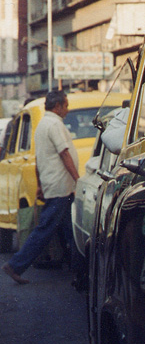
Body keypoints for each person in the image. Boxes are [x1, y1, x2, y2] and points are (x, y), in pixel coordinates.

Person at [3, 91, 80, 285]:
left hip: (54, 185)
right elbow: (64, 154)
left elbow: (40, 159)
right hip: (60, 186)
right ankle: (15, 265)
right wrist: (77, 179)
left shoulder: (42, 125)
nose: (67, 110)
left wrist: (40, 184)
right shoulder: (54, 124)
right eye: (66, 106)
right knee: (45, 229)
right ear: (58, 107)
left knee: (69, 228)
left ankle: (79, 269)